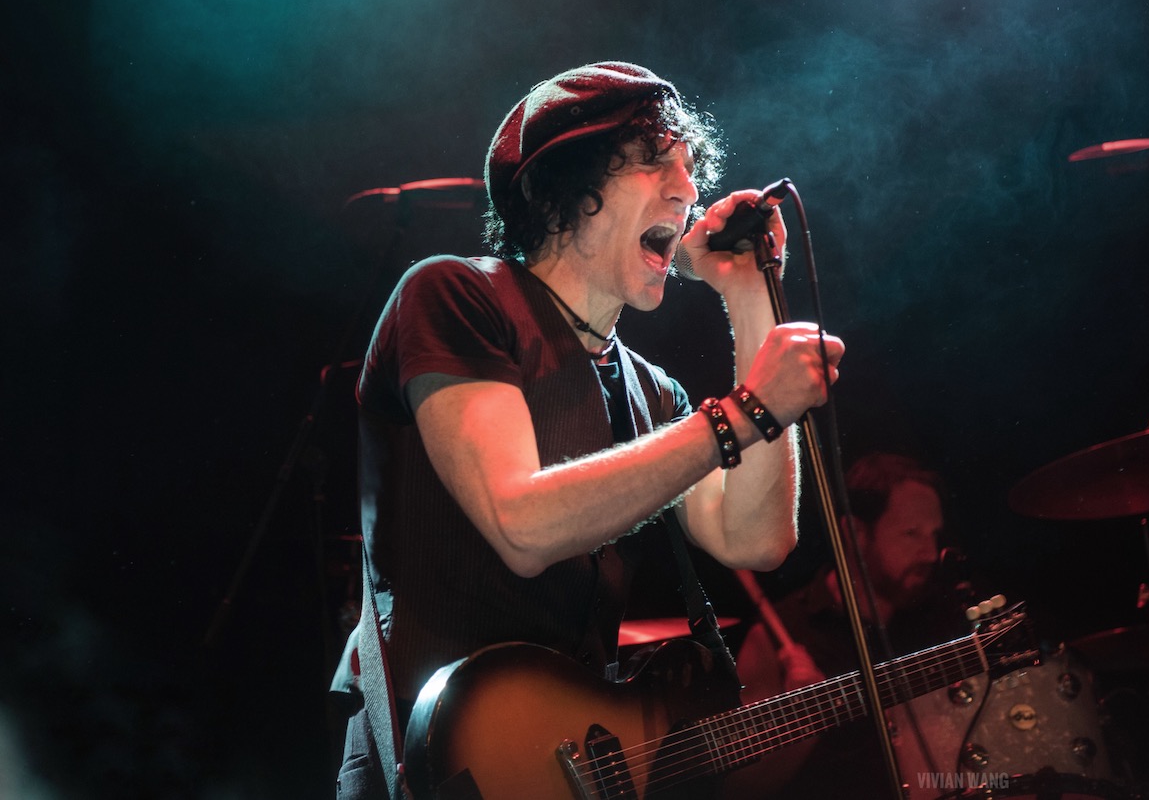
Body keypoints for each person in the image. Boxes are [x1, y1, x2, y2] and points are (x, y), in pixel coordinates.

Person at [331, 61, 845, 799]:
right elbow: (521, 524)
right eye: (655, 163)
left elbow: (756, 540)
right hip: (432, 760)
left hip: (562, 766)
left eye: (689, 168)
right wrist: (741, 413)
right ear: (566, 188)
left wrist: (747, 295)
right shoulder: (455, 294)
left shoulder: (650, 389)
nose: (688, 190)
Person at [729, 452, 969, 799]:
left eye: (934, 535)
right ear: (855, 533)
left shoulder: (938, 617)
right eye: (911, 534)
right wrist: (803, 721)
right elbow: (741, 789)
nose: (930, 554)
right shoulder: (778, 635)